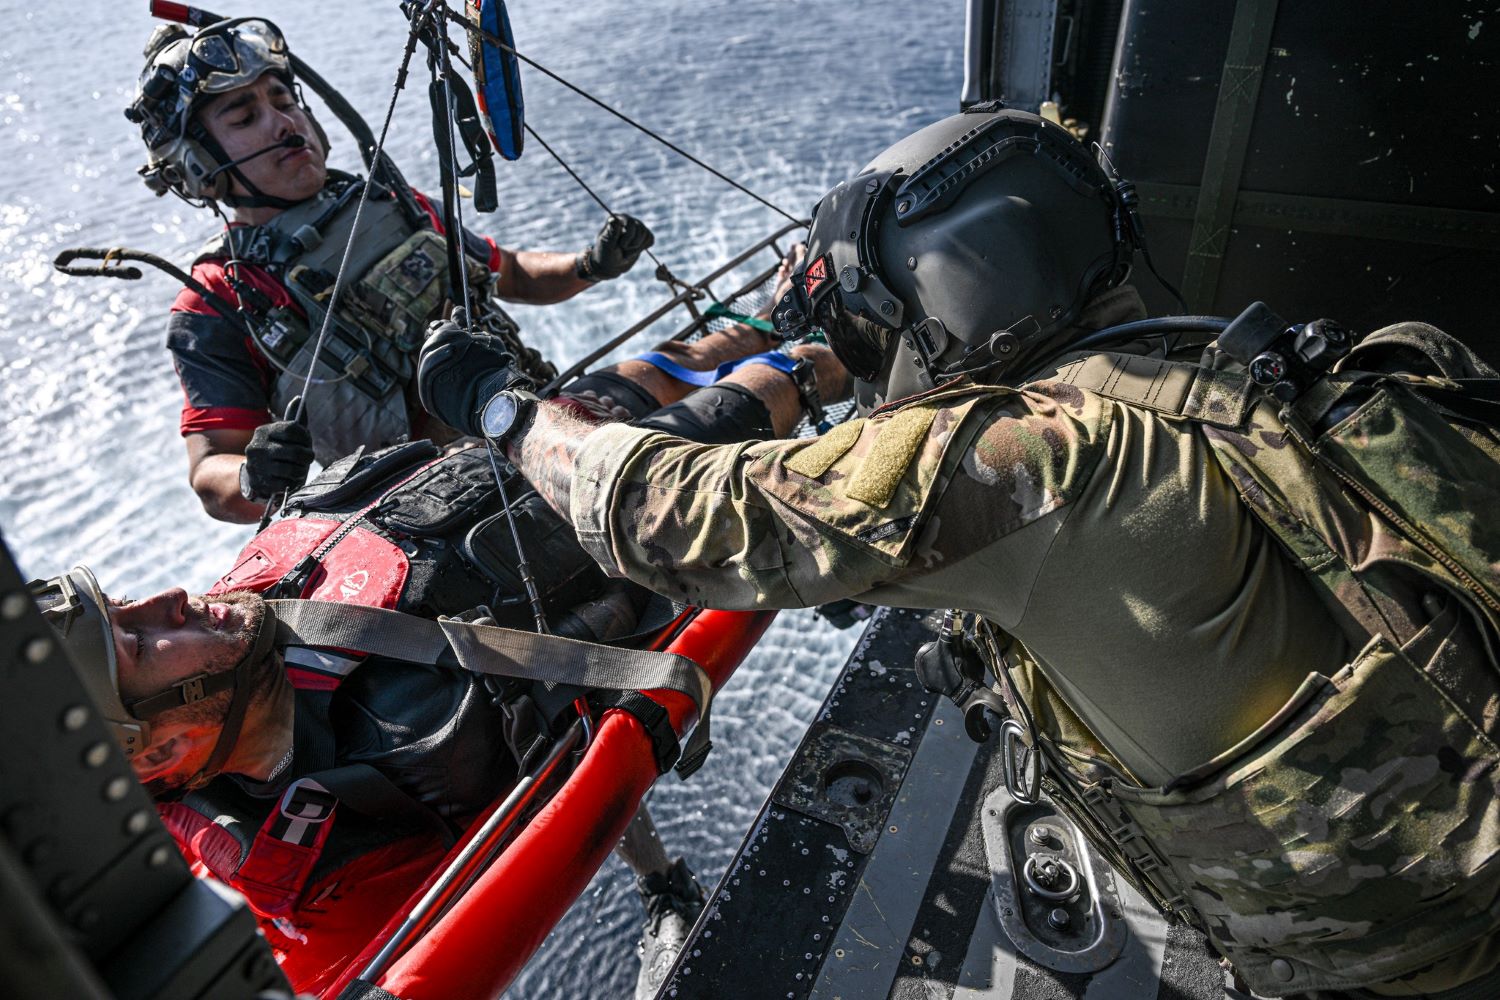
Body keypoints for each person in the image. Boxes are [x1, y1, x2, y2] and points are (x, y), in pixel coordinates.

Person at [424, 104, 1500, 1000]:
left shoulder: (1034, 453)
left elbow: (665, 511)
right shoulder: (1210, 369)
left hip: (1401, 955)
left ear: (925, 299)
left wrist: (501, 409)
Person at [34, 309, 848, 998]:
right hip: (612, 514)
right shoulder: (352, 802)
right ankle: (846, 349)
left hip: (505, 456)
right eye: (137, 639)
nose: (166, 598)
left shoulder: (223, 643)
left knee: (660, 367)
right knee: (763, 395)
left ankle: (768, 323)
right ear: (167, 744)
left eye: (125, 603)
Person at [127, 17, 662, 523]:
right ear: (196, 166)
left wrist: (590, 265)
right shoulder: (218, 298)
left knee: (690, 360)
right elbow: (210, 472)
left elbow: (513, 273)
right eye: (245, 117)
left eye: (284, 99)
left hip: (539, 418)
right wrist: (252, 473)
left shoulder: (392, 204)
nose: (284, 122)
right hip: (440, 506)